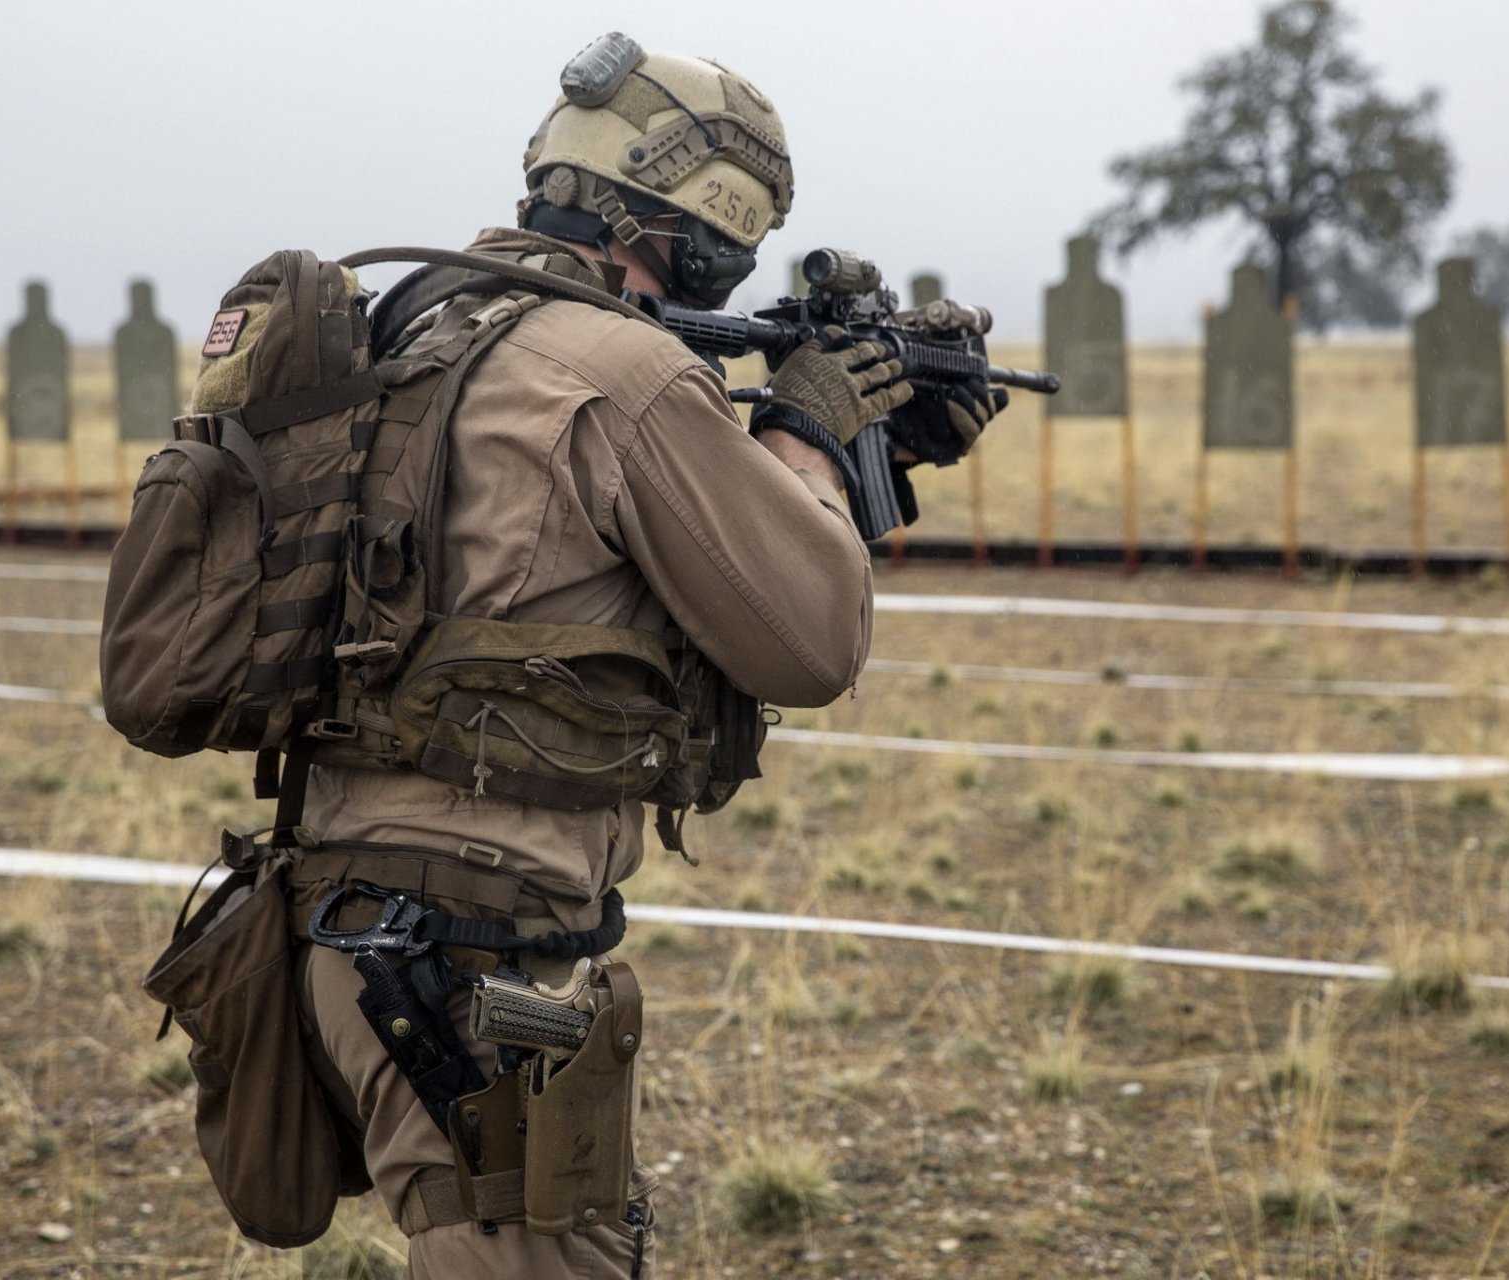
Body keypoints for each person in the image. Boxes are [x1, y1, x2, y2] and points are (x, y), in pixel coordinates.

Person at [283, 32, 997, 1279]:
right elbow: (812, 639)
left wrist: (828, 444)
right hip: (470, 947)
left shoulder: (418, 326)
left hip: (336, 917)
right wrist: (811, 439)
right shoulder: (624, 370)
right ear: (697, 231)